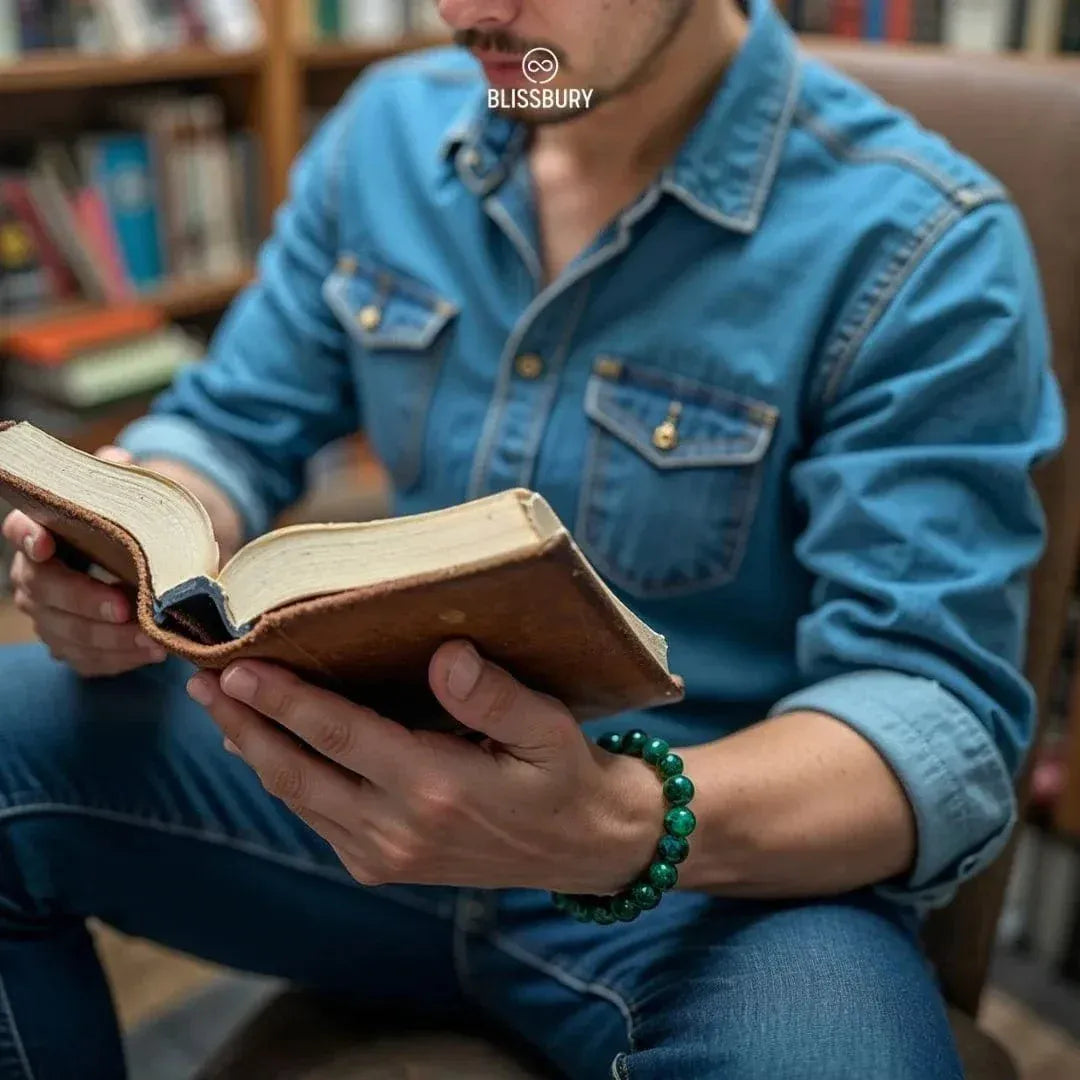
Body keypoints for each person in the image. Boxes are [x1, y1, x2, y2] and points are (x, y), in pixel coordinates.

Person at [0, 1, 1064, 1077]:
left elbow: (937, 726)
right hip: (366, 794)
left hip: (705, 868)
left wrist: (614, 823)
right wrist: (138, 529)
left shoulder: (919, 243)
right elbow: (234, 422)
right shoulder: (385, 134)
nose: (471, 12)